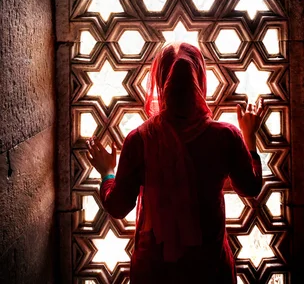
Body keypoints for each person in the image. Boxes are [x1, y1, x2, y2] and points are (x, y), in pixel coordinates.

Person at [86, 42, 265, 283]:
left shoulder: (140, 139)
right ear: (199, 80)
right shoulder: (225, 136)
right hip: (209, 270)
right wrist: (250, 138)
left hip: (154, 271)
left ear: (160, 82)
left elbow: (118, 206)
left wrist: (107, 172)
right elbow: (250, 186)